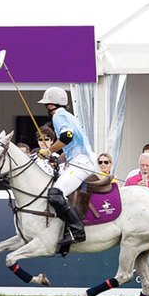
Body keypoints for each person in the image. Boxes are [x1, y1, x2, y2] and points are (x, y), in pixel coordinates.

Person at [37, 86, 96, 247]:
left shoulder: (58, 115)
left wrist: (48, 151)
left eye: (46, 104)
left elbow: (66, 137)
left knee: (55, 194)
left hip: (81, 162)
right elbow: (71, 144)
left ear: (50, 105)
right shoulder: (68, 115)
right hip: (80, 160)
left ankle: (77, 231)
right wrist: (58, 158)